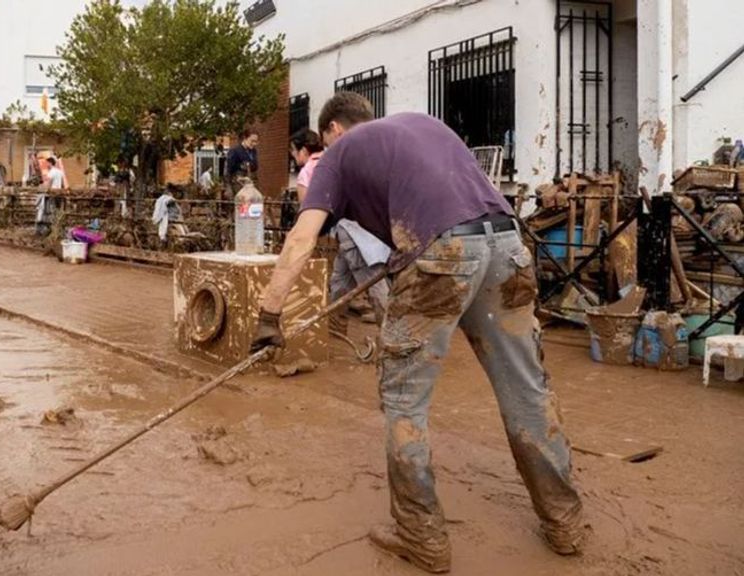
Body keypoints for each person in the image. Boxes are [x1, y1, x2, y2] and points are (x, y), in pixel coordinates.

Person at [250, 93, 583, 573]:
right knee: (527, 390)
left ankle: (421, 536)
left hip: (443, 256)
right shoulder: (422, 124)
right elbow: (451, 201)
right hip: (507, 246)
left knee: (405, 401)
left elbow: (302, 238)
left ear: (335, 131)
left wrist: (269, 314)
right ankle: (564, 523)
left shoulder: (337, 154)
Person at [292, 128, 390, 328]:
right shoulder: (337, 159)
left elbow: (307, 210)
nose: (294, 157)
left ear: (303, 150)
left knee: (371, 279)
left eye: (293, 152)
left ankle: (392, 335)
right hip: (365, 226)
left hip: (351, 230)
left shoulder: (308, 171)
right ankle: (335, 324)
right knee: (340, 279)